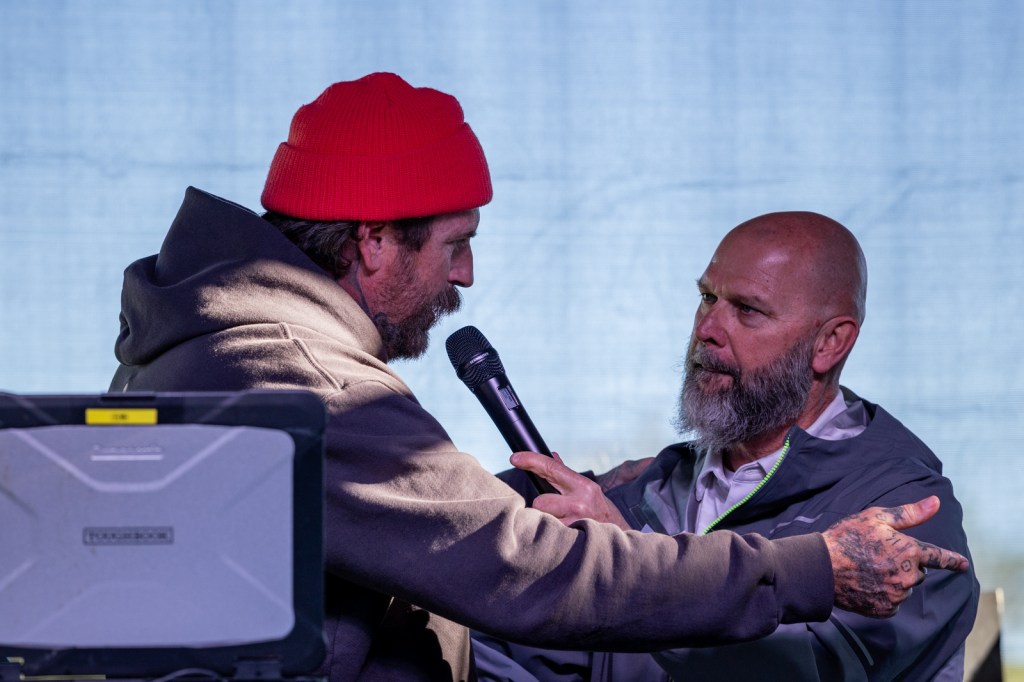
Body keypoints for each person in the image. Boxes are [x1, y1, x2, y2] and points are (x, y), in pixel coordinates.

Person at [109, 74, 968, 682]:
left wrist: (555, 521)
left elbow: (414, 533)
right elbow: (518, 576)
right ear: (372, 241)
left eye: (747, 309)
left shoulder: (903, 502)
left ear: (832, 341)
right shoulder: (307, 379)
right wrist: (808, 569)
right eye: (456, 244)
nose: (468, 274)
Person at [486, 212, 979, 681]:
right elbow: (529, 648)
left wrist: (630, 569)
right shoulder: (645, 492)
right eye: (707, 298)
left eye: (747, 309)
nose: (707, 330)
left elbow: (808, 671)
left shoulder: (904, 515)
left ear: (829, 342)